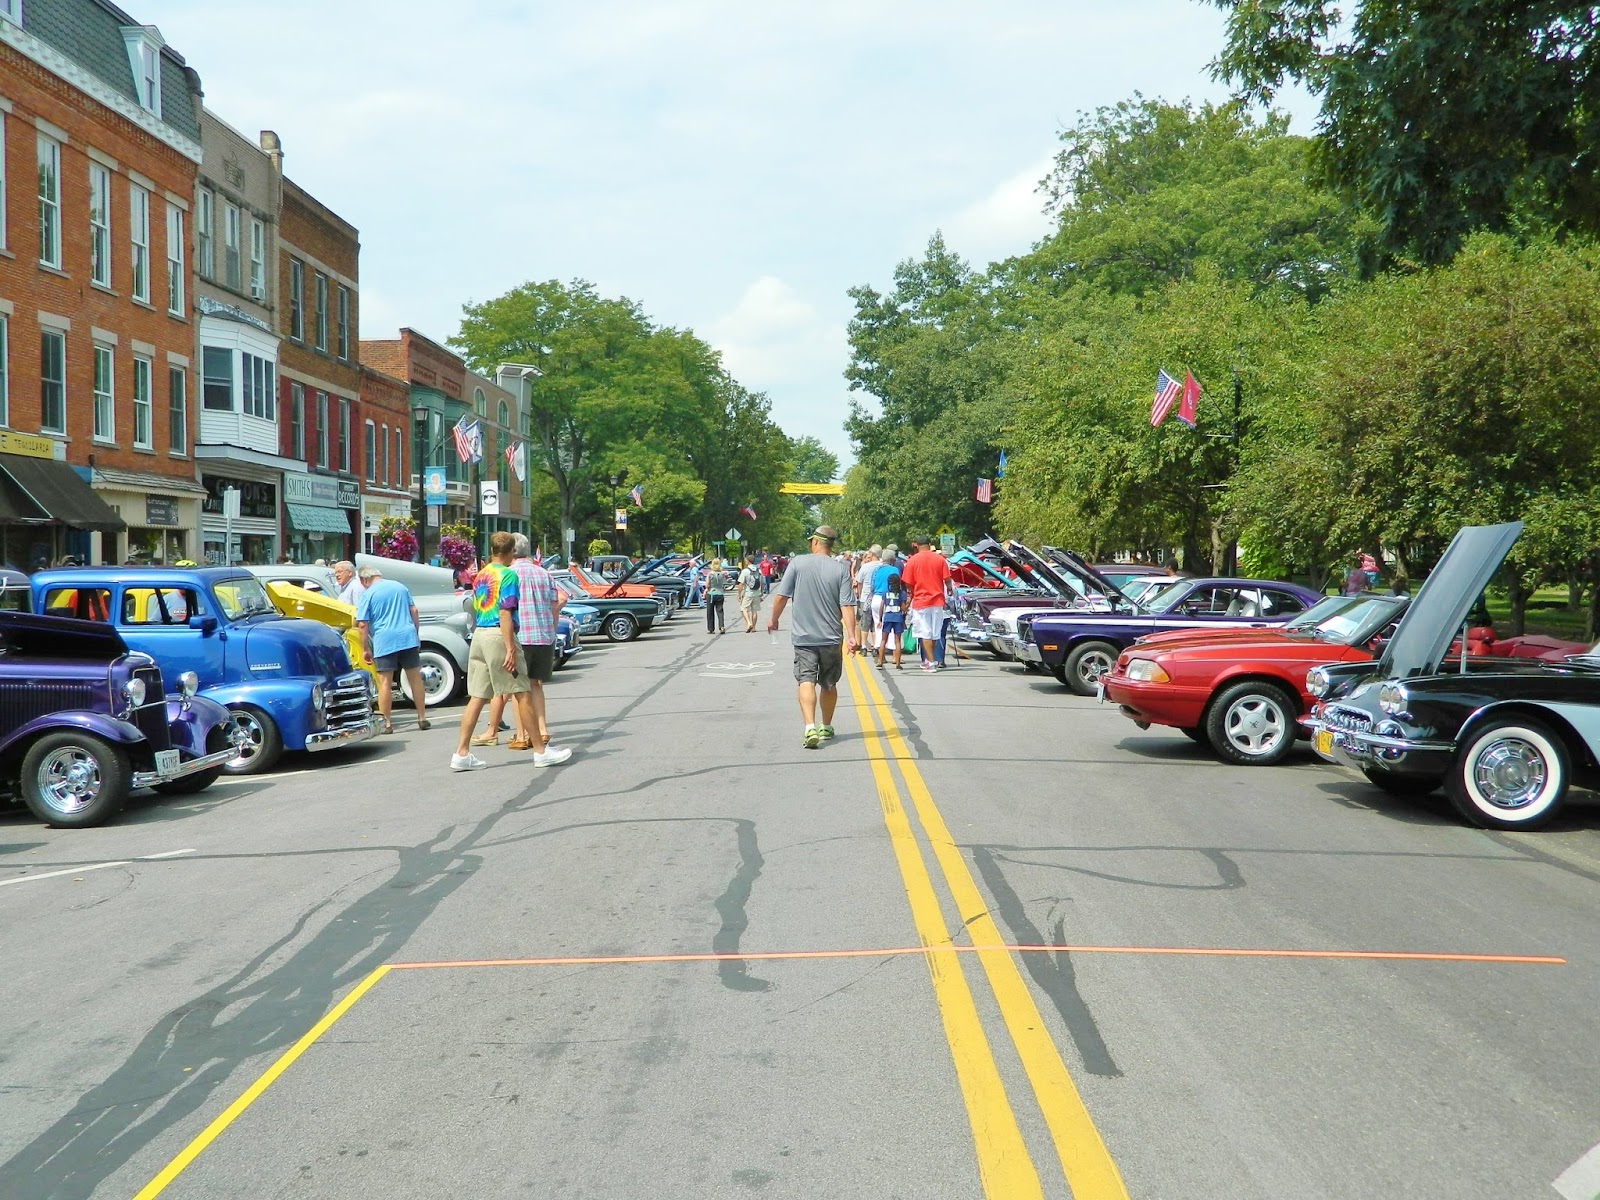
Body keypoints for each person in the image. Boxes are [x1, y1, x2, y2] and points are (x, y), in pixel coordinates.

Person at [451, 533, 535, 771]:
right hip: (498, 634)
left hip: (480, 633)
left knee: (477, 696)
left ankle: (461, 752)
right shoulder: (508, 574)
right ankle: (541, 750)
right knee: (522, 692)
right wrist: (510, 647)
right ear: (511, 552)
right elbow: (506, 611)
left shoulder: (482, 574)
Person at [769, 525, 858, 750]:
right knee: (829, 683)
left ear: (816, 542)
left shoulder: (797, 563)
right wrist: (852, 636)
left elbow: (781, 596)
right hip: (831, 637)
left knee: (805, 680)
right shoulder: (840, 569)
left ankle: (809, 726)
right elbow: (846, 605)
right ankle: (826, 726)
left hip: (804, 638)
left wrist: (774, 619)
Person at [355, 564, 429, 734]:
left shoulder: (368, 594)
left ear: (365, 579)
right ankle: (422, 717)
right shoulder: (399, 586)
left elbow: (362, 624)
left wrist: (365, 648)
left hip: (384, 639)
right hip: (407, 637)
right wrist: (415, 634)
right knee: (415, 678)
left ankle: (387, 723)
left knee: (385, 683)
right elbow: (414, 610)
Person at [899, 535, 954, 672]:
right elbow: (947, 579)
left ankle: (930, 662)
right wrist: (949, 589)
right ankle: (930, 660)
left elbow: (908, 583)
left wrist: (908, 599)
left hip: (921, 601)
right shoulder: (940, 559)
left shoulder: (913, 561)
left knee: (925, 633)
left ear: (916, 545)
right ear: (930, 544)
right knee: (934, 633)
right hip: (937, 601)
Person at [876, 560, 907, 669]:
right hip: (897, 617)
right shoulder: (901, 593)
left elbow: (881, 606)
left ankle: (880, 661)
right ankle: (898, 663)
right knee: (897, 641)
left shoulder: (886, 593)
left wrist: (880, 619)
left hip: (888, 616)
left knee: (884, 639)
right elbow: (903, 608)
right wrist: (906, 610)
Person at [853, 545, 882, 655]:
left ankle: (864, 646)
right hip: (878, 598)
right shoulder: (882, 566)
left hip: (865, 597)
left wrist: (860, 596)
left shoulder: (865, 566)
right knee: (875, 623)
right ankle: (876, 646)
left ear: (872, 554)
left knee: (864, 623)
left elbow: (859, 582)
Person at [737, 554, 763, 632]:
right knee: (754, 611)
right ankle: (754, 627)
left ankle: (749, 623)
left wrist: (739, 594)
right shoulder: (758, 570)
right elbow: (762, 582)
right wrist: (761, 592)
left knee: (744, 609)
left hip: (748, 593)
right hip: (757, 593)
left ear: (747, 561)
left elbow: (740, 584)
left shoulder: (745, 571)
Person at [704, 557, 728, 634]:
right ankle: (722, 626)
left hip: (711, 593)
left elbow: (707, 585)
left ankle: (711, 628)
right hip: (720, 593)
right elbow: (724, 582)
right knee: (720, 611)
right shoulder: (722, 574)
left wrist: (706, 591)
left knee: (710, 612)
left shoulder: (710, 574)